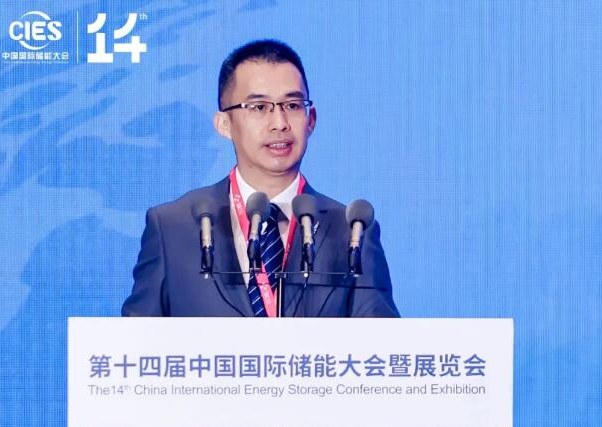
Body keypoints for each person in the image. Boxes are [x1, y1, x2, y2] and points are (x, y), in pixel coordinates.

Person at [122, 39, 399, 317]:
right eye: (259, 107)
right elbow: (135, 339)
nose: (279, 123)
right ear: (224, 124)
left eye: (292, 105)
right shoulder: (172, 227)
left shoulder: (352, 231)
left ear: (311, 119)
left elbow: (381, 339)